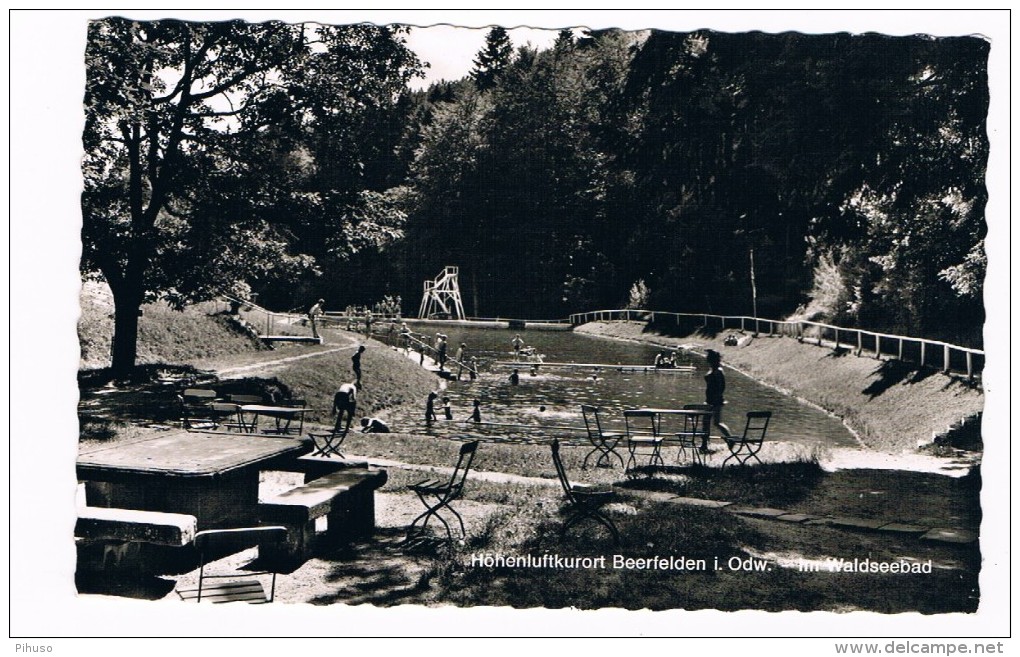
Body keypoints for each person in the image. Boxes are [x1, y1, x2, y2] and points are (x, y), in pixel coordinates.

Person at [703, 349, 732, 452]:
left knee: (717, 422)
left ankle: (730, 439)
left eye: (708, 357)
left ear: (712, 359)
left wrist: (716, 398)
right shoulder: (713, 369)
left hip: (715, 401)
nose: (706, 358)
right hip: (709, 400)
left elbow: (721, 387)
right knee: (706, 422)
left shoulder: (718, 371)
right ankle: (704, 444)